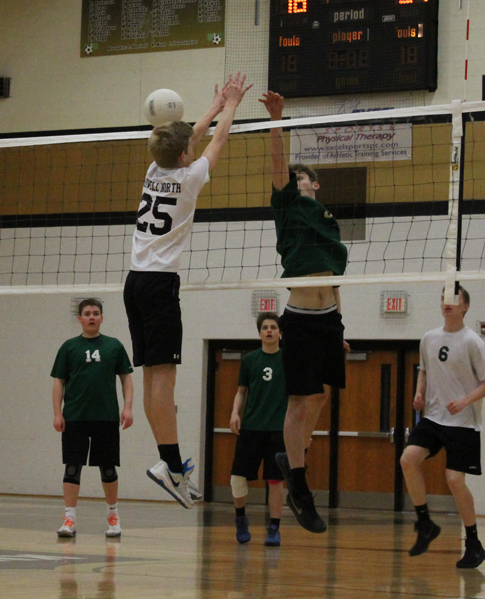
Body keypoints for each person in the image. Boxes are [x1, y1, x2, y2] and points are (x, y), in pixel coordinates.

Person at [123, 72, 252, 508]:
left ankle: (171, 464)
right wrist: (232, 105)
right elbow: (216, 144)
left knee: (153, 375)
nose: (193, 148)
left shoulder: (153, 167)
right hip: (159, 286)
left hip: (135, 281)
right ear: (184, 156)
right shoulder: (189, 178)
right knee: (164, 377)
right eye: (189, 149)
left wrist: (213, 106)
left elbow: (189, 138)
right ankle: (172, 466)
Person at [260, 91, 349, 534]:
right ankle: (299, 485)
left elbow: (336, 278)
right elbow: (279, 165)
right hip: (299, 315)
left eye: (302, 179)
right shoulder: (287, 206)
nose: (296, 181)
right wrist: (278, 119)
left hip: (329, 317)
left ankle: (291, 456)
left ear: (315, 184)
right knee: (299, 402)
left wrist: (342, 323)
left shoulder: (328, 222)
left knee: (322, 395)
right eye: (291, 179)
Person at [401, 286, 485, 569]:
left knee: (454, 481)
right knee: (408, 459)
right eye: (443, 298)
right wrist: (419, 392)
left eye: (454, 299)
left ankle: (474, 543)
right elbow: (425, 370)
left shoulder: (473, 342)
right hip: (433, 417)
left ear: (465, 306)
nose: (447, 303)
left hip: (463, 421)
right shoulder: (429, 338)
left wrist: (465, 400)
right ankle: (425, 522)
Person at [51, 298, 134, 538]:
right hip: (75, 417)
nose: (91, 317)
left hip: (106, 417)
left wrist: (128, 408)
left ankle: (113, 515)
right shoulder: (69, 347)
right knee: (72, 467)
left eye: (95, 313)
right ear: (79, 318)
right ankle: (69, 518)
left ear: (102, 318)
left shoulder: (114, 346)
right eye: (87, 313)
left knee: (108, 469)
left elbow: (126, 378)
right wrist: (57, 412)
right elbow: (59, 381)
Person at [229, 312, 287, 547]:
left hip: (278, 430)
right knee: (237, 477)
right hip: (251, 427)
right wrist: (235, 413)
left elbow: (298, 398)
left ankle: (274, 529)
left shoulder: (288, 360)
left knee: (275, 481)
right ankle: (241, 518)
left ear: (280, 332)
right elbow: (241, 391)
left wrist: (302, 430)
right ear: (260, 333)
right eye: (265, 327)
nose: (270, 330)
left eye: (273, 327)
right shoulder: (250, 360)